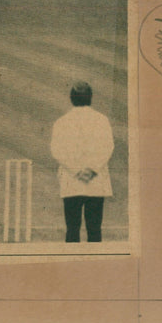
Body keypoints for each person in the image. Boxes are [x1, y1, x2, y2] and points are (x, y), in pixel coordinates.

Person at [50, 81, 115, 242]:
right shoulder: (102, 120)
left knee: (72, 230)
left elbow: (57, 150)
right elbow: (108, 147)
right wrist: (92, 170)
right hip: (96, 181)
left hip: (72, 182)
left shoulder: (62, 122)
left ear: (71, 98)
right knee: (94, 230)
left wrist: (76, 171)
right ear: (90, 98)